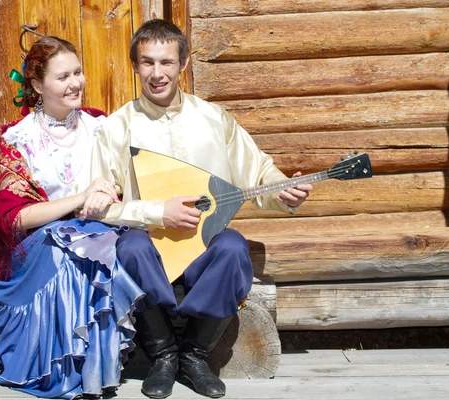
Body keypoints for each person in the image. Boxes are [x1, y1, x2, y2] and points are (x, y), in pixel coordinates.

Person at [85, 19, 313, 399]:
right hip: (151, 247)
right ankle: (162, 356)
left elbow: (258, 171)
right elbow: (99, 205)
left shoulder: (214, 120)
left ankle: (194, 356)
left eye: (166, 62)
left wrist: (283, 191)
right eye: (147, 63)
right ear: (135, 66)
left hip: (203, 246)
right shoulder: (117, 127)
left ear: (184, 63)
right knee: (129, 248)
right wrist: (158, 213)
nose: (157, 73)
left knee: (234, 247)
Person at [0, 36, 144, 399]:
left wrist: (107, 195)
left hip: (100, 228)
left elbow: (128, 180)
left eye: (78, 72)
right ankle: (64, 370)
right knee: (68, 250)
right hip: (39, 239)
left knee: (104, 246)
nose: (75, 83)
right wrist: (79, 199)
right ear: (37, 85)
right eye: (63, 76)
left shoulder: (100, 126)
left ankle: (95, 369)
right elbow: (14, 219)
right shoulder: (18, 139)